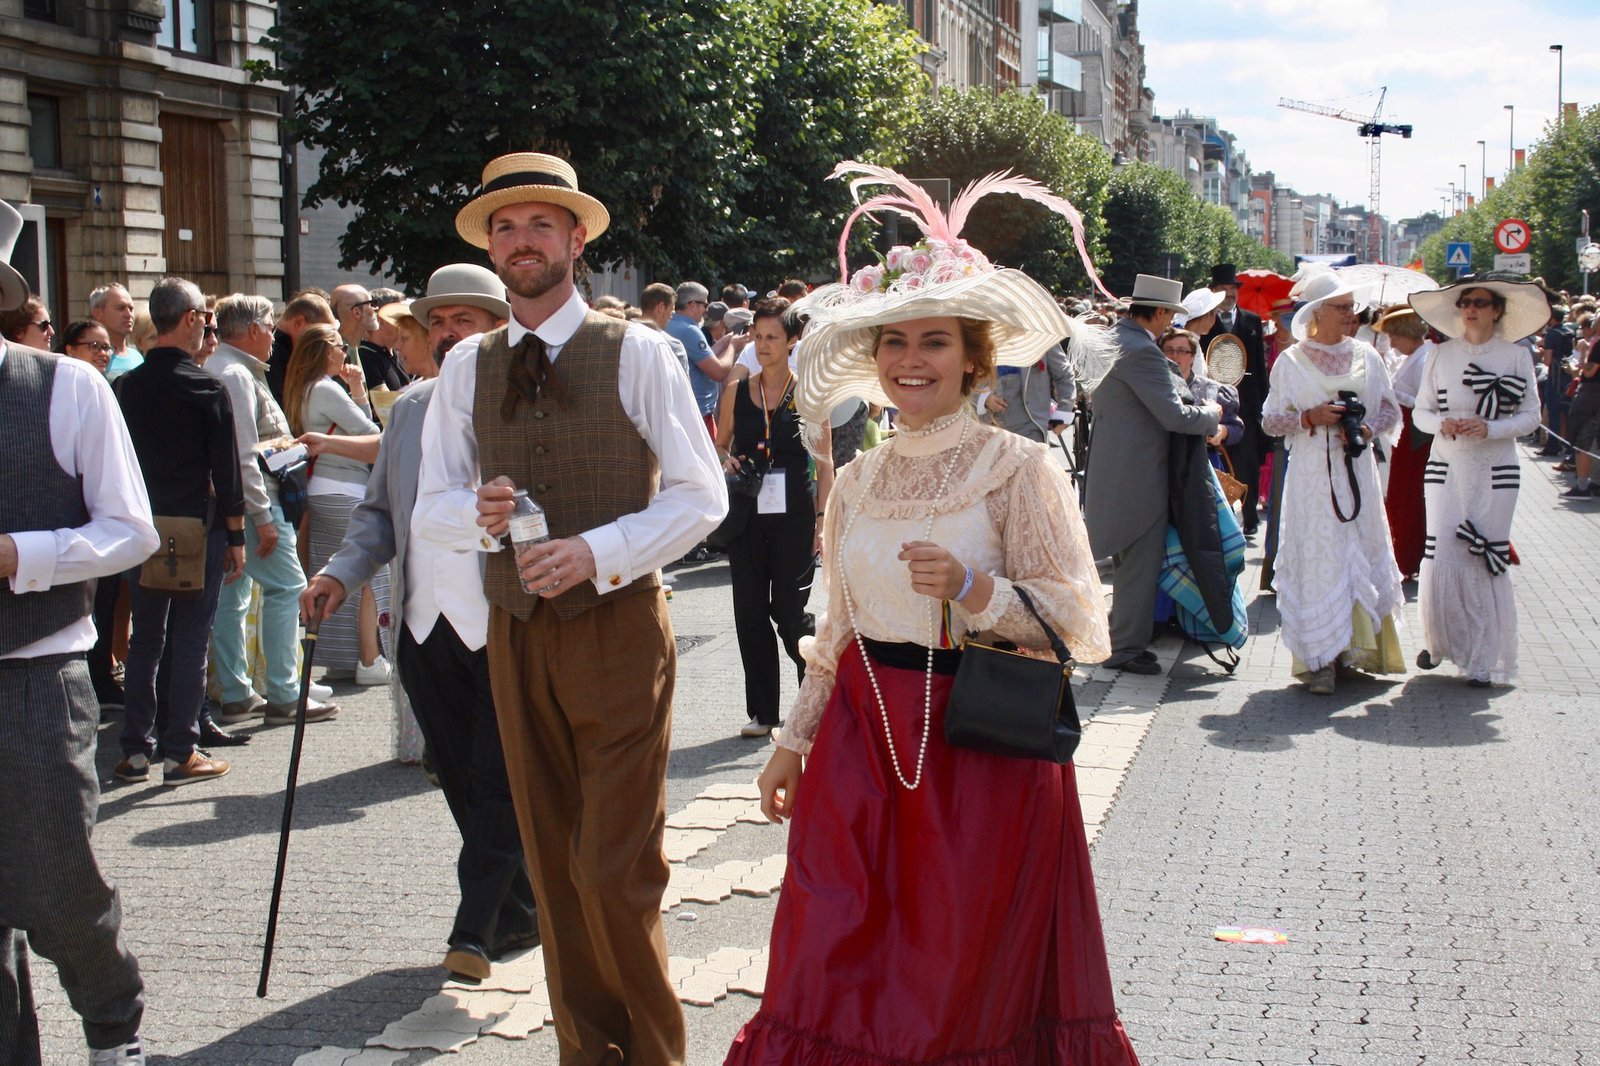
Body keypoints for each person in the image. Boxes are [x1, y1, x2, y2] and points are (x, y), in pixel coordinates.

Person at [728, 164, 1138, 1066]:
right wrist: (790, 743)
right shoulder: (860, 477)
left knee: (954, 979)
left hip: (977, 748)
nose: (911, 360)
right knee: (831, 953)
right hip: (858, 738)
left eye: (935, 343)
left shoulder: (1015, 467)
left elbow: (1081, 622)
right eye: (895, 343)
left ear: (974, 358)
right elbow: (835, 630)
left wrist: (974, 589)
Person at [414, 151, 725, 1065]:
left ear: (576, 239)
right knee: (552, 864)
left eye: (539, 225)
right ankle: (588, 1055)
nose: (521, 241)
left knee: (614, 868)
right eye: (504, 228)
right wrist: (480, 518)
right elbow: (431, 503)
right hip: (514, 633)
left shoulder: (640, 351)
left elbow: (701, 497)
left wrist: (596, 552)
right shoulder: (467, 363)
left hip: (620, 631)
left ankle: (655, 1054)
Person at [302, 267, 538, 983]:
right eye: (437, 322)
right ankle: (522, 909)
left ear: (500, 327)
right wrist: (339, 573)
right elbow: (378, 515)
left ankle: (473, 927)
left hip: (507, 622)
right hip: (423, 628)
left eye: (465, 320)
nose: (447, 333)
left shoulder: (528, 405)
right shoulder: (407, 411)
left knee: (500, 776)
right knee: (459, 774)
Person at [0, 198, 158, 1065]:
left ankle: (112, 1025)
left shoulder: (66, 385)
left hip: (34, 669)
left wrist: (16, 553)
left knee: (58, 883)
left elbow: (129, 531)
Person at [112, 277, 246, 785]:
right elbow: (227, 470)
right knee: (191, 638)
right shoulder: (206, 385)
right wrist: (236, 537)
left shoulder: (127, 385)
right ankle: (180, 750)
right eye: (205, 320)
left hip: (143, 526)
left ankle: (135, 750)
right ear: (190, 319)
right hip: (197, 525)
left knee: (145, 639)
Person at [1260, 271, 1404, 695]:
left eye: (1352, 308)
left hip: (1356, 470)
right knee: (1320, 555)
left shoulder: (1368, 356)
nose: (1350, 315)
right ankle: (1319, 659)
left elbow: (1391, 411)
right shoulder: (1290, 360)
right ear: (1317, 313)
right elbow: (1270, 420)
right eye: (1341, 308)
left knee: (1358, 547)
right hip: (1311, 476)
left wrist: (1364, 430)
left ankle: (1356, 650)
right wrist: (1309, 417)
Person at [207, 294, 340, 726]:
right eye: (269, 325)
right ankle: (284, 694)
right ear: (251, 330)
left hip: (242, 501)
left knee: (235, 592)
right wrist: (262, 516)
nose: (273, 334)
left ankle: (237, 692)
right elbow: (243, 453)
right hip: (255, 501)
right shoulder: (235, 374)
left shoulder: (230, 369)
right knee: (287, 587)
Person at [1408, 280, 1545, 687]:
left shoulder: (1516, 356)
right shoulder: (1440, 355)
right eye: (1465, 302)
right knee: (1442, 549)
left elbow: (1532, 416)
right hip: (1446, 467)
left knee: (1485, 552)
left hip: (1495, 469)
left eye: (1479, 303)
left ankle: (1483, 658)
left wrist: (1492, 428)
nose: (1470, 308)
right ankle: (1440, 641)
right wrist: (1442, 423)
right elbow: (1420, 412)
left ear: (1496, 311)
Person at [1085, 274, 1221, 675]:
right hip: (1139, 474)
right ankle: (1124, 647)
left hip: (1115, 466)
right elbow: (1174, 415)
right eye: (1170, 316)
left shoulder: (1114, 338)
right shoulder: (1140, 349)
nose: (1170, 324)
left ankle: (1123, 639)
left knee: (1130, 564)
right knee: (1138, 565)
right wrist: (1210, 417)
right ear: (1159, 311)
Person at [715, 298, 831, 738]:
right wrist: (727, 461)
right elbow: (720, 444)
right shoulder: (737, 391)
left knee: (788, 611)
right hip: (747, 512)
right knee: (748, 612)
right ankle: (764, 713)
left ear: (791, 341)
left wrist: (822, 521)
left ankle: (814, 694)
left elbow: (824, 464)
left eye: (772, 338)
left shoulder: (809, 392)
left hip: (795, 514)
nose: (762, 346)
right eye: (757, 337)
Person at [282, 322, 391, 685]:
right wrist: (358, 393)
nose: (345, 352)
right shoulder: (327, 389)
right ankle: (369, 660)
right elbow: (372, 433)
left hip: (319, 489)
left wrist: (357, 389)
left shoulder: (302, 388)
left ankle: (346, 657)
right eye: (339, 346)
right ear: (326, 351)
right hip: (345, 487)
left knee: (330, 571)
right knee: (368, 573)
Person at [1199, 264, 1269, 534]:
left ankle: (1249, 518)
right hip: (1214, 404)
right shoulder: (1205, 321)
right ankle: (1224, 520)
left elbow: (1259, 369)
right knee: (1218, 464)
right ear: (1213, 292)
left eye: (1232, 289)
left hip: (1247, 405)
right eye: (1223, 289)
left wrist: (1261, 404)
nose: (1229, 295)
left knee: (1247, 463)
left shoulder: (1251, 321)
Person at [1374, 306, 1435, 579]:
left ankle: (1409, 556)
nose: (1393, 342)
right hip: (1406, 432)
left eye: (1394, 336)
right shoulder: (1413, 357)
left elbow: (1426, 402)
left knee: (1410, 493)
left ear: (1405, 333)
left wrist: (1396, 393)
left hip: (1418, 435)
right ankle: (1404, 555)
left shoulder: (1424, 359)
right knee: (1401, 491)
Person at [1560, 311, 1600, 497]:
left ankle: (1583, 486)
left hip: (1592, 398)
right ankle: (1594, 483)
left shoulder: (1597, 344)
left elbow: (1590, 372)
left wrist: (1584, 352)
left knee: (1582, 440)